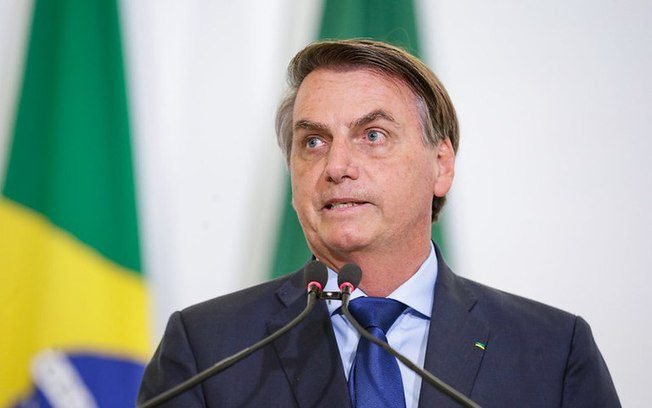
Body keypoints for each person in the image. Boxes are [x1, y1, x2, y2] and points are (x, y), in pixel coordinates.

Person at [138, 39, 620, 407]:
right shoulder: (207, 350)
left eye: (372, 135)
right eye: (313, 142)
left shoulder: (552, 351)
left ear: (441, 165)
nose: (336, 166)